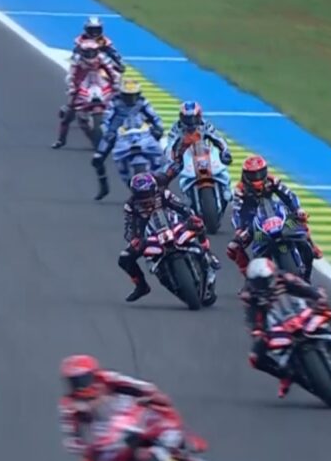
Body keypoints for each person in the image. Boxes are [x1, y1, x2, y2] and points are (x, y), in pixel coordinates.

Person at [59, 354, 181, 461]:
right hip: (108, 437)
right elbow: (70, 437)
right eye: (73, 382)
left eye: (82, 380)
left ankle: (180, 442)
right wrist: (85, 449)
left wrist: (150, 394)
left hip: (132, 413)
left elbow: (141, 386)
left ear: (94, 374)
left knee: (161, 405)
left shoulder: (108, 378)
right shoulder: (69, 404)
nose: (78, 386)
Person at [240, 258, 331, 398]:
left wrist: (318, 296)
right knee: (255, 358)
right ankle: (285, 375)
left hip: (299, 312)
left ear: (272, 274)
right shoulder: (249, 295)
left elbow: (305, 288)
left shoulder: (284, 277)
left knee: (325, 309)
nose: (262, 285)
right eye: (258, 282)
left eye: (265, 280)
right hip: (276, 325)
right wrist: (258, 333)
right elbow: (252, 319)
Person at [116, 173, 219, 303]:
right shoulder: (130, 206)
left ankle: (208, 253)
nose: (145, 198)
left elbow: (183, 208)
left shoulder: (164, 194)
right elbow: (129, 227)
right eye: (141, 195)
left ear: (154, 189)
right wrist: (134, 239)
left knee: (198, 224)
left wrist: (191, 218)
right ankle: (141, 286)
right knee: (124, 258)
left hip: (174, 227)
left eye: (147, 193)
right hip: (150, 236)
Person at [227, 155, 323, 280]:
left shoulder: (272, 180)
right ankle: (250, 278)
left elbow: (288, 194)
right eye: (252, 175)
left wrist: (297, 209)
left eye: (260, 173)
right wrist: (239, 229)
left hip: (275, 212)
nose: (257, 178)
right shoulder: (240, 190)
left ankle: (311, 244)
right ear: (245, 175)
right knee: (233, 248)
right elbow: (236, 211)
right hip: (253, 223)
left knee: (299, 219)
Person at [90, 79, 163, 200]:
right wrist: (107, 132)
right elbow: (105, 119)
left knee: (162, 154)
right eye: (128, 96)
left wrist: (158, 128)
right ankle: (103, 185)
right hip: (117, 131)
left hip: (140, 131)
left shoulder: (143, 102)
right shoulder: (114, 102)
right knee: (97, 159)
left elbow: (155, 117)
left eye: (133, 95)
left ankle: (159, 178)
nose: (131, 99)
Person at [52, 40, 117, 150]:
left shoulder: (102, 57)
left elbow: (112, 71)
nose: (90, 55)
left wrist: (116, 83)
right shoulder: (77, 60)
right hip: (83, 82)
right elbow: (71, 75)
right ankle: (61, 140)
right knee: (69, 111)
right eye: (87, 52)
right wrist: (72, 87)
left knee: (119, 101)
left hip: (99, 80)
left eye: (92, 52)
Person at [159, 101, 233, 185]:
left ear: (199, 116)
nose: (190, 122)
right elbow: (170, 146)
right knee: (166, 173)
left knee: (223, 171)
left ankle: (226, 189)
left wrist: (225, 151)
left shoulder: (205, 125)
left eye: (193, 118)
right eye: (187, 119)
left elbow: (219, 139)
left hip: (203, 157)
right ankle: (163, 191)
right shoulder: (177, 128)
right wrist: (171, 161)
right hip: (183, 160)